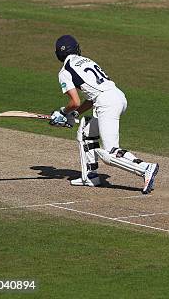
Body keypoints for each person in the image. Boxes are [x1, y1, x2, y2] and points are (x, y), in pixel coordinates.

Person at [50, 35, 159, 193]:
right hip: (117, 96)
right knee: (86, 132)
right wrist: (73, 114)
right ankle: (90, 177)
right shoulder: (86, 61)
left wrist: (63, 112)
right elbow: (91, 98)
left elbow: (75, 102)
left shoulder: (65, 71)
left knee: (109, 154)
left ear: (58, 54)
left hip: (106, 103)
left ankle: (145, 168)